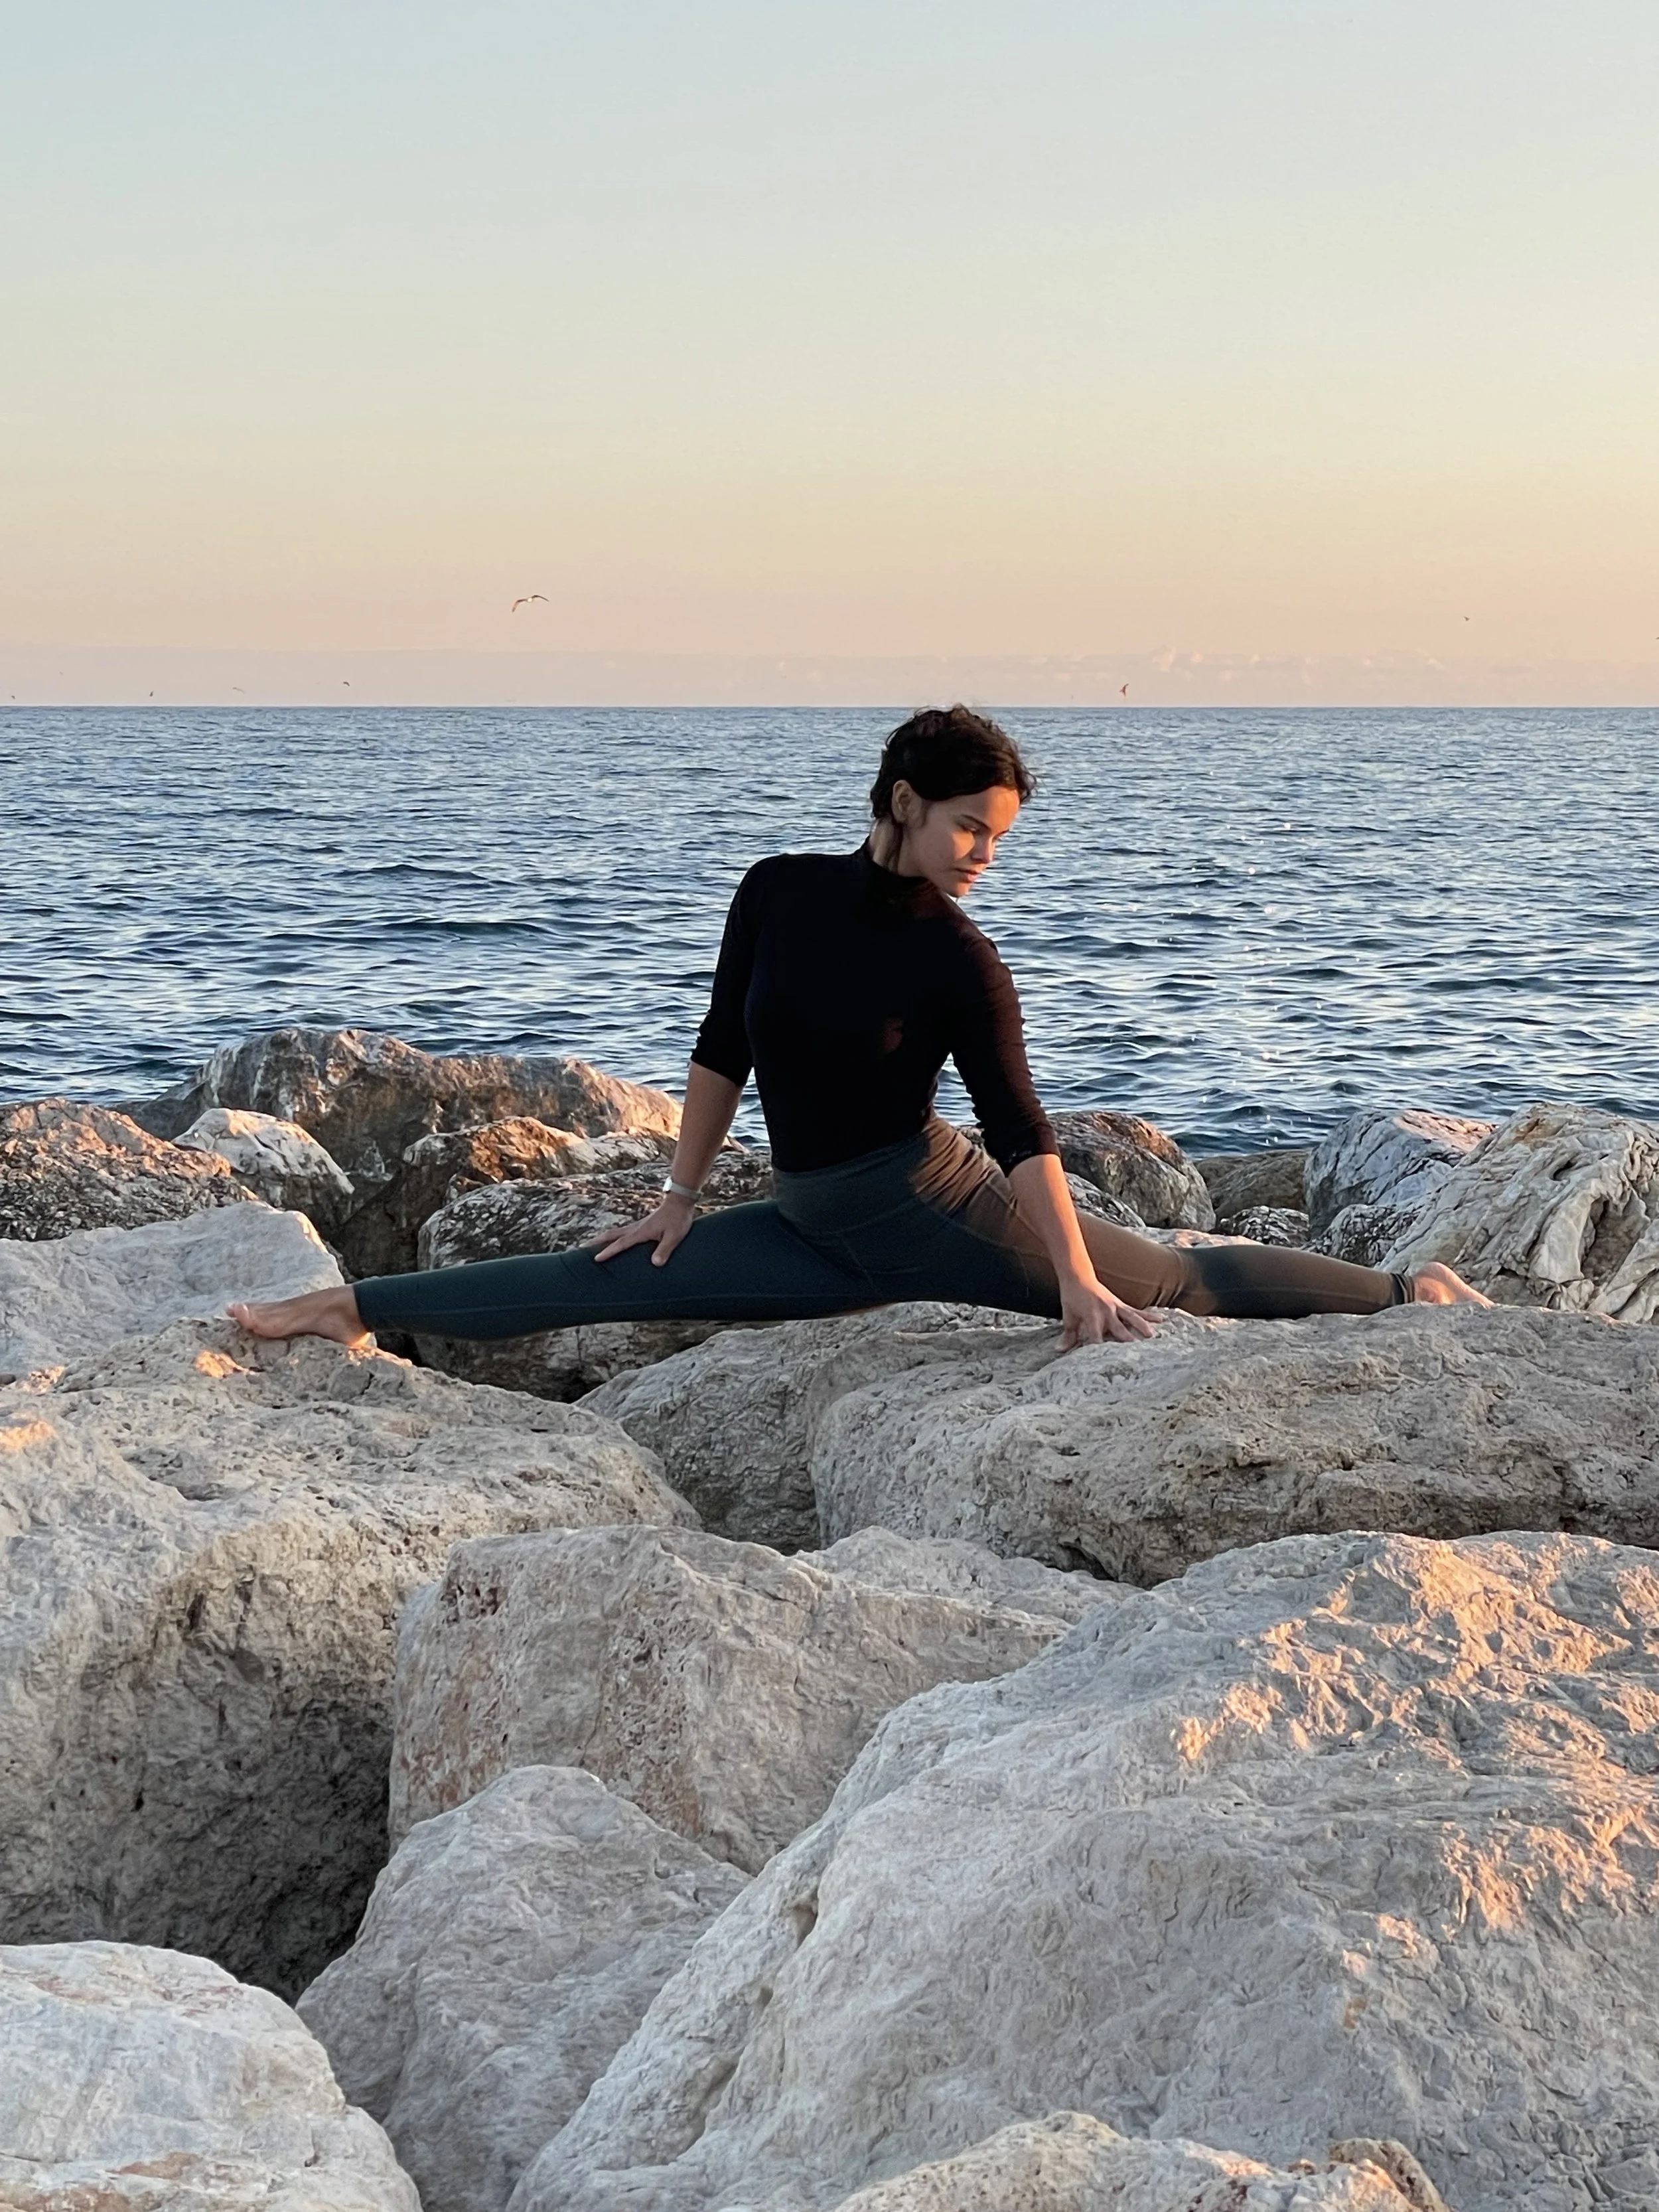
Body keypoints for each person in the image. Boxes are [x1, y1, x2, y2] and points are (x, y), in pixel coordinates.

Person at [230, 705, 1486, 1351]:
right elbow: (726, 1043)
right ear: (901, 800)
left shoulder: (959, 956)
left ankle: (1399, 1289)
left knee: (1181, 1277)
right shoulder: (777, 889)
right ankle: (353, 1309)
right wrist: (677, 1194)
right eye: (970, 829)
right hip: (812, 1219)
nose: (985, 857)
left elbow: (1020, 1132)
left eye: (998, 837)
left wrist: (1073, 1280)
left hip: (931, 1211)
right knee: (602, 1280)